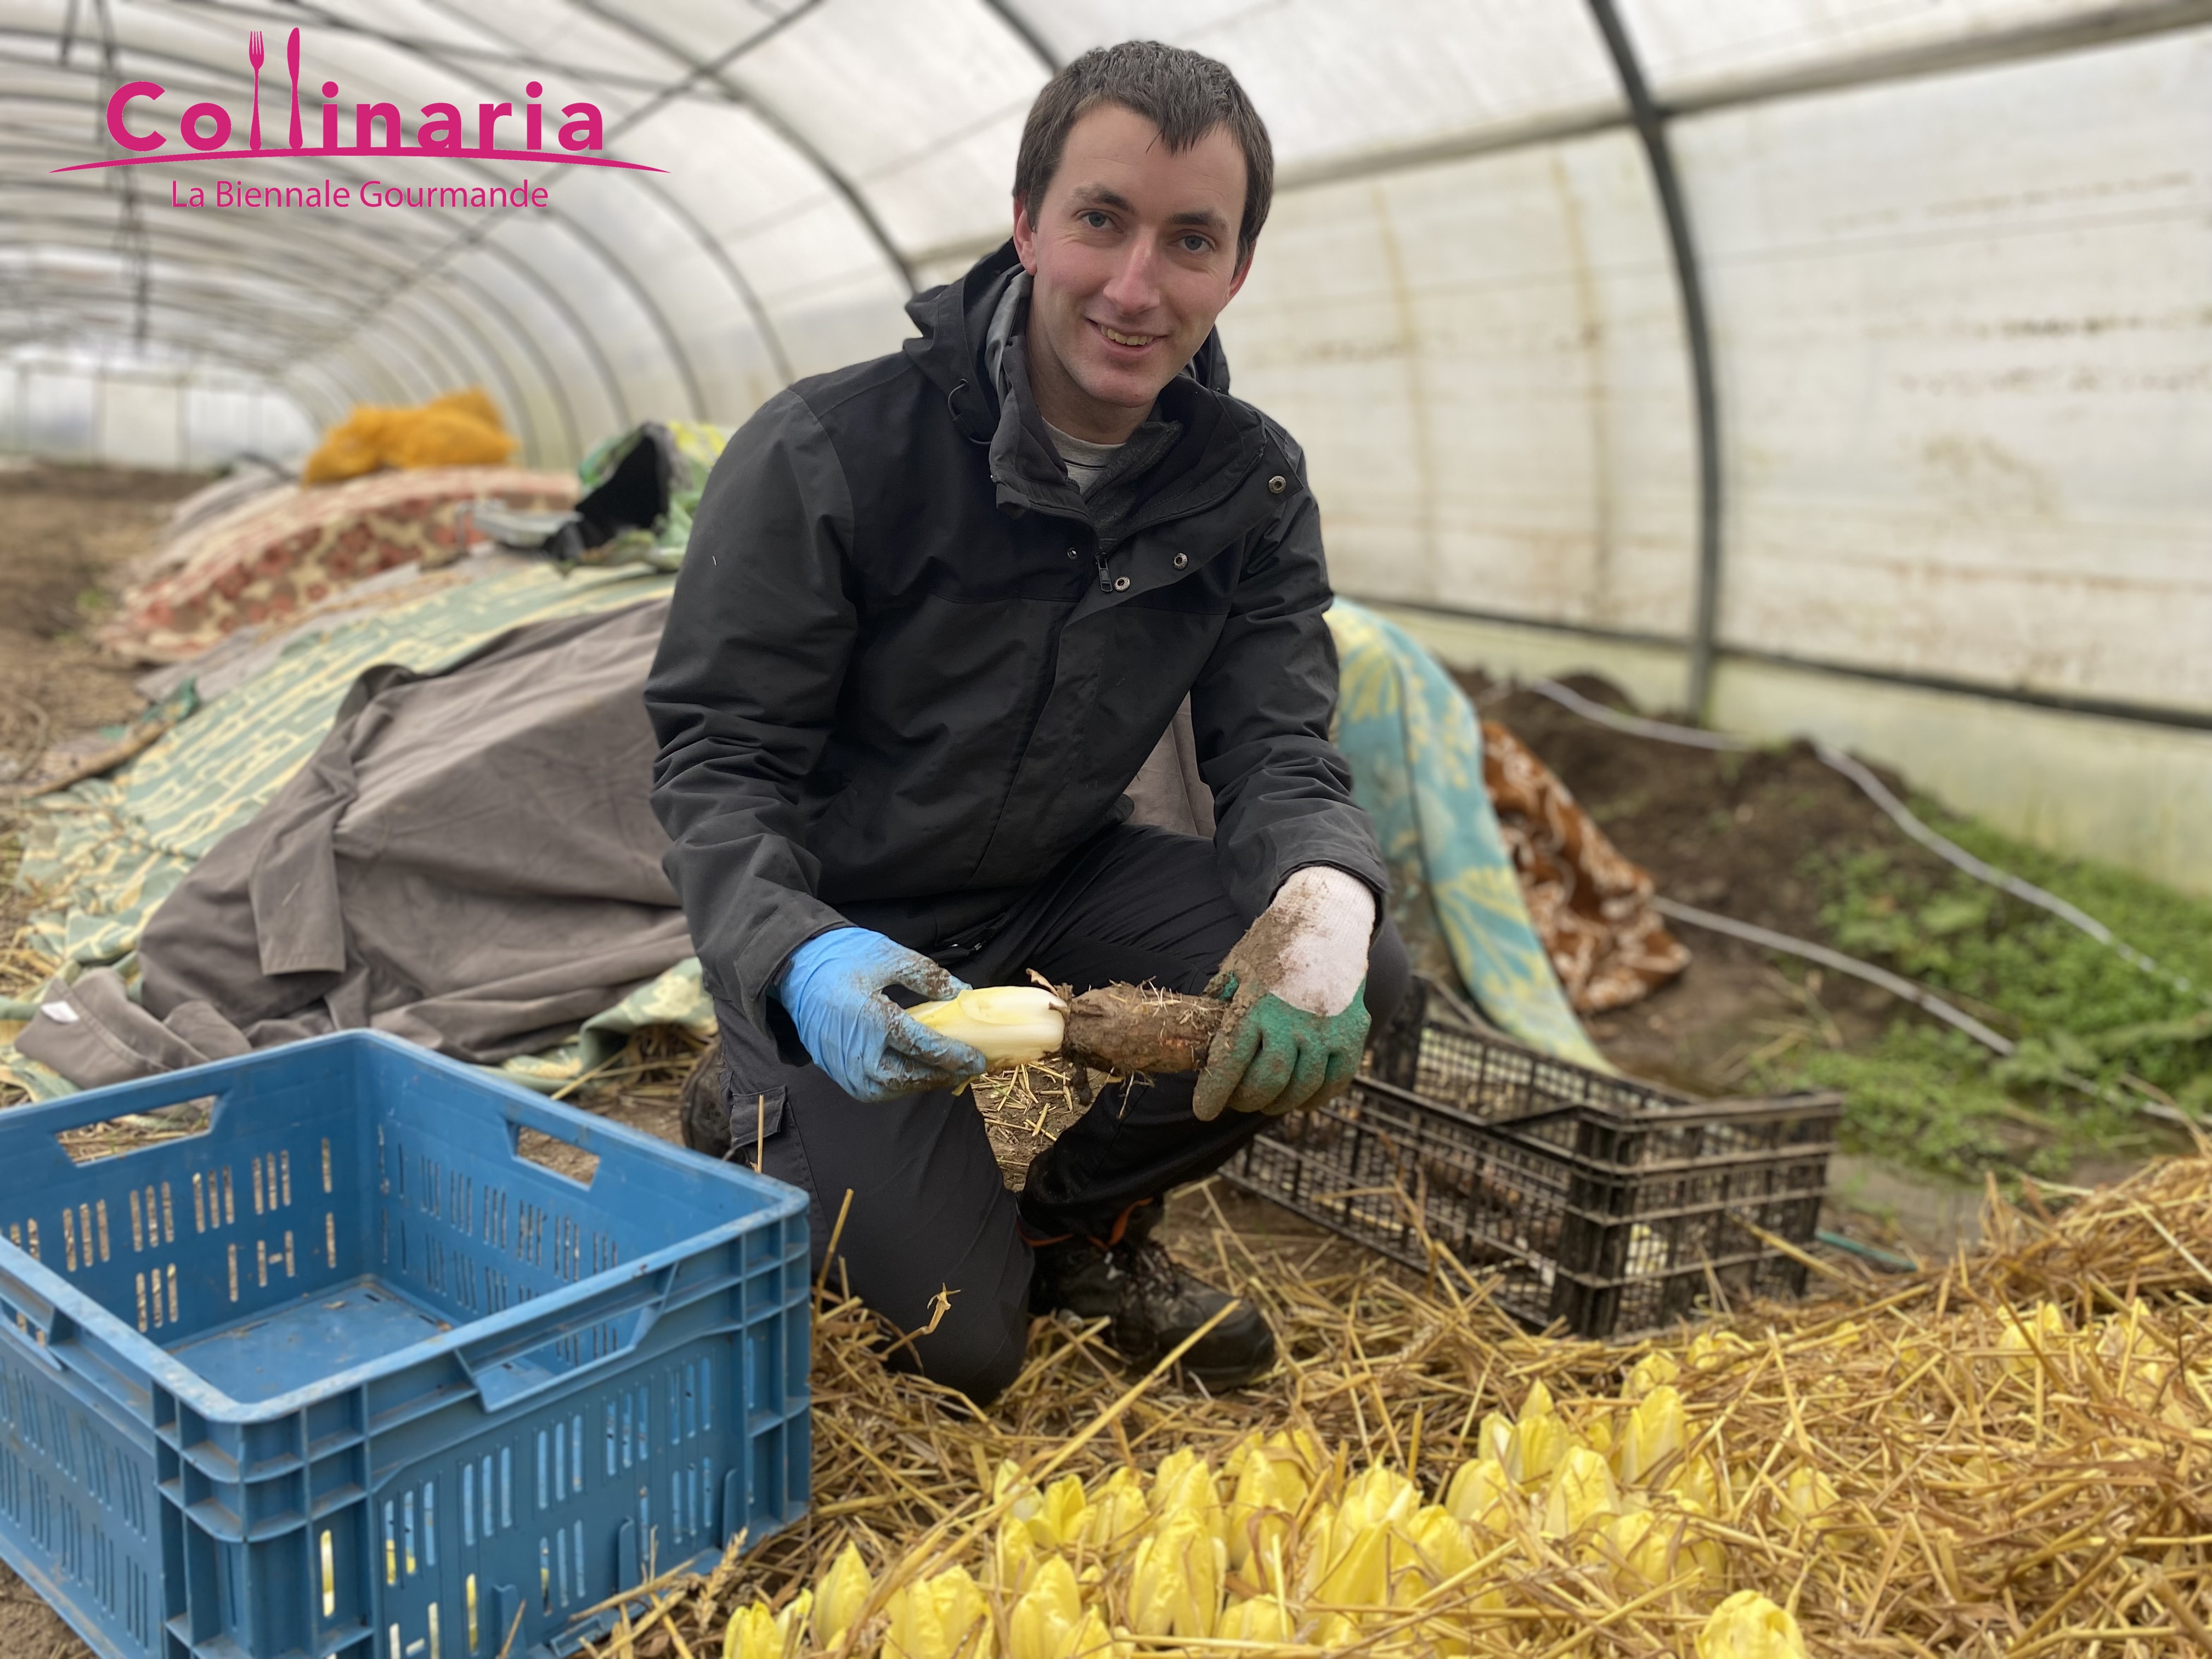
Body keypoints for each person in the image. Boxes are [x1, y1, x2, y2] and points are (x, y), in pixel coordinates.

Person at [646, 40, 1405, 1404]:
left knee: (1358, 974)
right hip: (839, 915)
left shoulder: (1251, 484)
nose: (1136, 285)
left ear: (1234, 272)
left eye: (1191, 241)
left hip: (1055, 881)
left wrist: (1324, 898)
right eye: (1100, 220)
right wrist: (798, 954)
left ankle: (1072, 1226)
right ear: (1026, 222)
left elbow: (1277, 746)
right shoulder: (831, 450)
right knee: (964, 1349)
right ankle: (752, 1102)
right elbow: (719, 761)